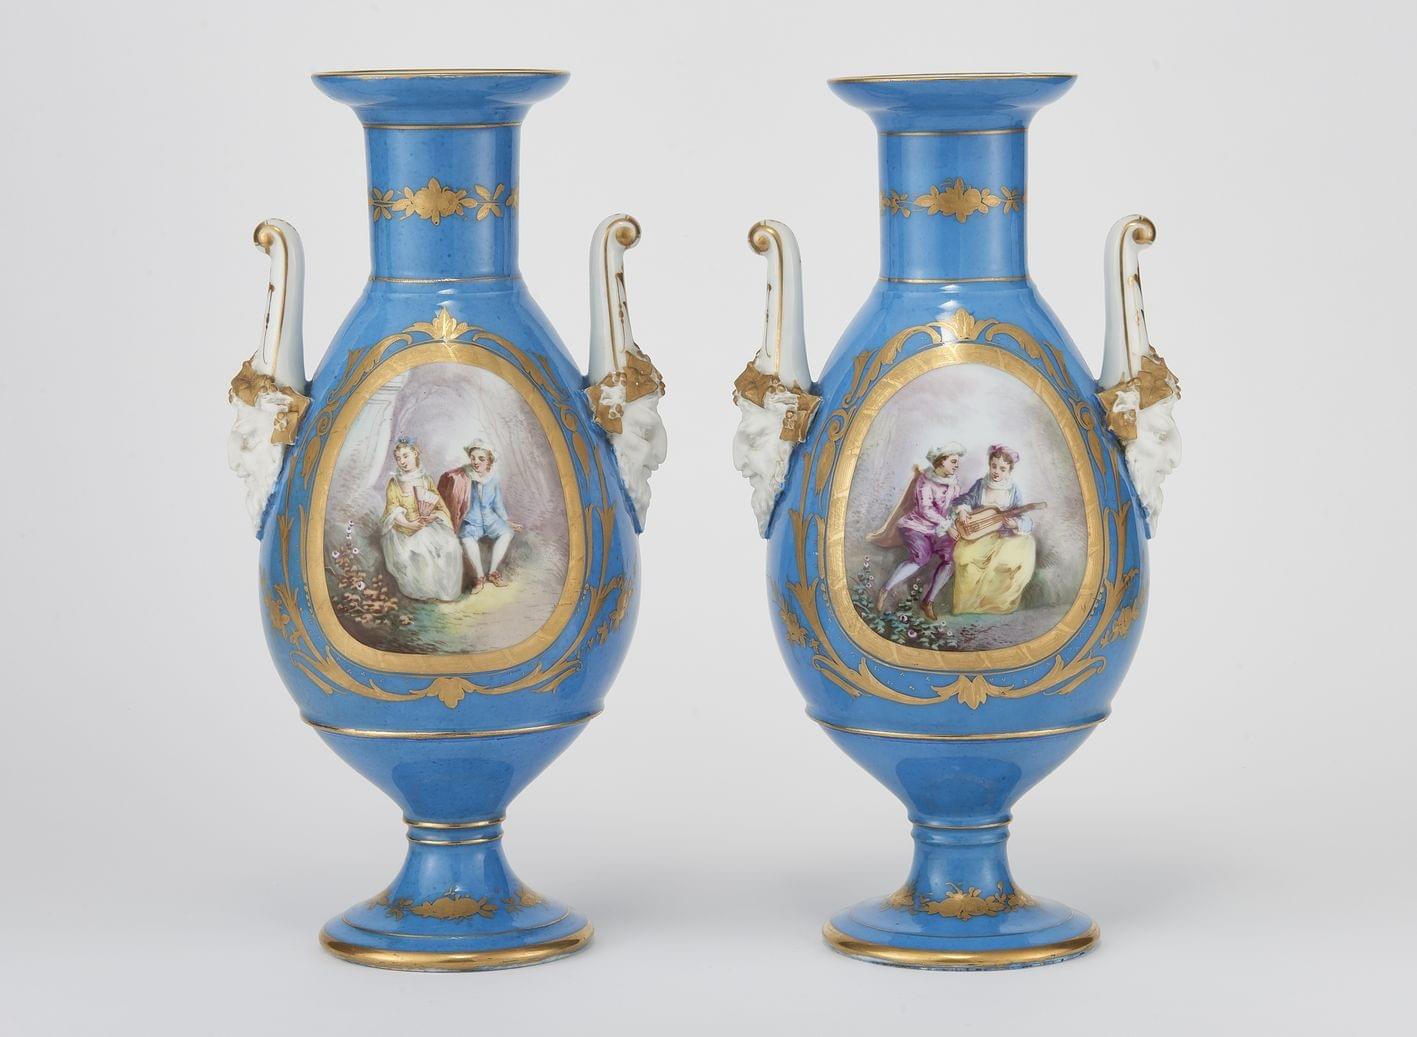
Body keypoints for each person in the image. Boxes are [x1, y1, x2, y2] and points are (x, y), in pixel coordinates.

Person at [868, 443, 973, 622]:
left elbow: (956, 502)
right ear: (941, 461)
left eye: (957, 462)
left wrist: (962, 510)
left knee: (952, 559)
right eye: (953, 461)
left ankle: (928, 601)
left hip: (938, 530)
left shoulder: (953, 483)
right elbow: (925, 510)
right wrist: (947, 526)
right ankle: (885, 589)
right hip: (916, 526)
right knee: (921, 558)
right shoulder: (925, 481)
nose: (957, 465)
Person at [950, 444, 1038, 615]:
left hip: (1004, 536)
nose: (997, 471)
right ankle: (967, 606)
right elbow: (965, 499)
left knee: (1016, 555)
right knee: (964, 557)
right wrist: (963, 510)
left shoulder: (1013, 490)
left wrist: (1015, 524)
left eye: (1002, 469)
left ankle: (994, 605)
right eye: (994, 466)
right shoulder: (981, 484)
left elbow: (1025, 518)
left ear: (1009, 471)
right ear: (989, 465)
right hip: (979, 535)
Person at [379, 438, 462, 602]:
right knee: (420, 548)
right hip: (403, 531)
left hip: (426, 525)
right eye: (398, 458)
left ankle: (444, 592)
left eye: (406, 456)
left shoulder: (425, 479)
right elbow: (393, 510)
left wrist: (433, 516)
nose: (402, 461)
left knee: (451, 545)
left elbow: (438, 505)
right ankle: (424, 592)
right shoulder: (394, 483)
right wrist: (409, 524)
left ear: (415, 454)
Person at [438, 439, 524, 594]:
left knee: (507, 533)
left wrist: (506, 522)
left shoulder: (493, 478)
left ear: (489, 461)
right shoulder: (465, 476)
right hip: (471, 520)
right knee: (467, 539)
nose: (476, 462)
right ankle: (479, 577)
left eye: (481, 459)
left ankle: (492, 572)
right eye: (473, 458)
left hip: (490, 519)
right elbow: (451, 485)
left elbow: (497, 503)